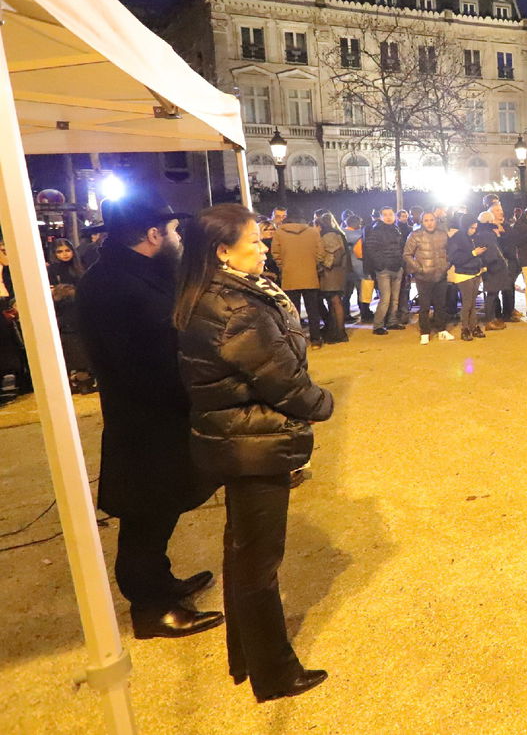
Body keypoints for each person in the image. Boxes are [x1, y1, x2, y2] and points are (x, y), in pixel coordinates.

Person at [174, 204, 331, 702]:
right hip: (251, 440)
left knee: (244, 552)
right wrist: (321, 403)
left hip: (240, 435)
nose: (264, 247)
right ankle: (275, 673)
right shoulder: (234, 306)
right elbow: (281, 378)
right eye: (254, 240)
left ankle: (247, 658)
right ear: (223, 251)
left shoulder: (224, 292)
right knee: (259, 563)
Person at [75, 192, 222, 639]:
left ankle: (160, 582)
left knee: (159, 509)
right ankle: (150, 608)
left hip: (158, 416)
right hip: (145, 421)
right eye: (174, 231)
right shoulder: (115, 283)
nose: (178, 237)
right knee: (146, 514)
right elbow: (140, 357)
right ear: (153, 235)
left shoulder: (136, 272)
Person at [46, 238, 95, 393]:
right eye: (59, 251)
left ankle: (85, 377)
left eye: (67, 250)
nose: (64, 254)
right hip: (63, 314)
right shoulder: (51, 270)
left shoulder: (80, 267)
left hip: (80, 311)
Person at [270, 208, 324, 346]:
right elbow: (320, 253)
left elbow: (276, 254)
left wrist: (284, 267)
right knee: (313, 309)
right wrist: (313, 265)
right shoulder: (313, 232)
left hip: (289, 275)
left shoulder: (279, 232)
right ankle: (316, 339)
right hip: (310, 275)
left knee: (293, 311)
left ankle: (297, 340)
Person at [403, 210, 453, 343]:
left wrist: (446, 265)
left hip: (440, 274)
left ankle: (441, 329)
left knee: (440, 304)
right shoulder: (415, 235)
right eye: (426, 220)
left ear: (436, 221)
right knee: (424, 306)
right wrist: (419, 269)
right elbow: (407, 254)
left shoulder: (443, 234)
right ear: (422, 222)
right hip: (423, 277)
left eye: (431, 220)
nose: (429, 223)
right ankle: (424, 332)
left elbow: (450, 252)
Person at [363, 207, 406, 336]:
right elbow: (371, 249)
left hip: (397, 267)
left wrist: (401, 264)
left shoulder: (396, 229)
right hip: (384, 269)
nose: (388, 217)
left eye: (390, 214)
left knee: (395, 298)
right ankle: (378, 325)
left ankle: (392, 321)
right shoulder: (376, 230)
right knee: (385, 298)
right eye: (385, 215)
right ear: (381, 217)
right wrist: (380, 264)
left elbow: (401, 248)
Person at [0, 238, 33, 400]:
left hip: (12, 306)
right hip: (5, 306)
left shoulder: (14, 269)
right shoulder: (5, 269)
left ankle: (24, 379)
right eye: (3, 251)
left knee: (20, 344)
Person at [447, 215, 488, 339]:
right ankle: (465, 328)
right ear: (465, 226)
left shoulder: (472, 238)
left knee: (472, 303)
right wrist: (474, 253)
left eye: (475, 228)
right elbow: (455, 258)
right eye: (471, 227)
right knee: (467, 303)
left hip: (475, 272)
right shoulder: (457, 238)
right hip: (463, 274)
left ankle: (473, 326)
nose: (474, 230)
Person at [315, 213, 349, 344]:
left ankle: (339, 333)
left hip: (331, 273)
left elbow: (334, 254)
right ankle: (336, 331)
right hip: (338, 272)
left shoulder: (328, 235)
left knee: (335, 301)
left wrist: (323, 265)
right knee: (334, 302)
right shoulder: (337, 233)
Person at [474, 211, 511, 331]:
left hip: (489, 267)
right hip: (493, 267)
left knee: (492, 294)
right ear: (489, 221)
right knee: (492, 294)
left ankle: (492, 318)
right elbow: (492, 251)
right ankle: (490, 320)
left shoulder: (480, 232)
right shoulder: (487, 234)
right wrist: (496, 263)